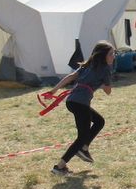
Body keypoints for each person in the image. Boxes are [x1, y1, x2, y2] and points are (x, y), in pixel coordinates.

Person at [45, 41, 114, 176]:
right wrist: (103, 83)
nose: (113, 56)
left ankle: (84, 148)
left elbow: (70, 77)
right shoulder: (105, 69)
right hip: (81, 103)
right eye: (111, 54)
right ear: (103, 55)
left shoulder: (88, 65)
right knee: (82, 137)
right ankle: (59, 167)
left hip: (72, 101)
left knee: (99, 121)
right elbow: (108, 91)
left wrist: (54, 90)